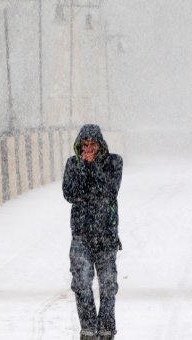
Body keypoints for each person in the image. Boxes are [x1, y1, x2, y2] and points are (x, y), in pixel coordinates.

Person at [62, 124, 123, 340]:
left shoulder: (114, 162)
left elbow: (109, 190)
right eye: (85, 145)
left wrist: (93, 167)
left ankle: (106, 329)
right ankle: (88, 329)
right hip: (81, 235)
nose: (89, 149)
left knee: (108, 285)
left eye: (93, 144)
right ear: (79, 146)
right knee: (81, 282)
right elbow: (70, 193)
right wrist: (84, 169)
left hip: (106, 235)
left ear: (100, 145)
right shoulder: (72, 164)